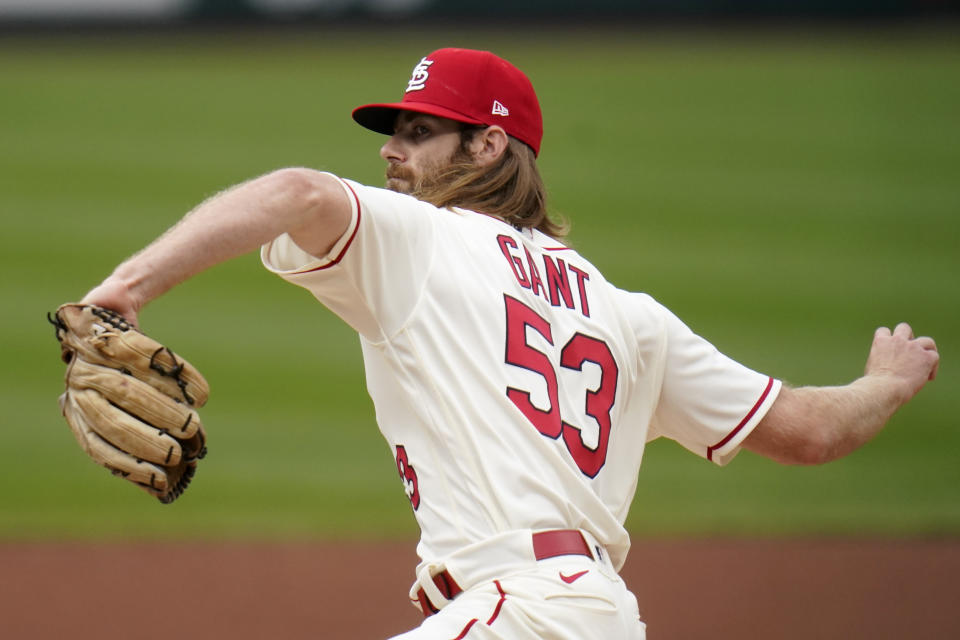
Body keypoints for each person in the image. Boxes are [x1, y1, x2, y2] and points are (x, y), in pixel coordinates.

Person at [79, 48, 939, 639]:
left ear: (489, 144)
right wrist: (888, 383)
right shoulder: (627, 313)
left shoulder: (420, 240)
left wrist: (125, 289)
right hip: (598, 617)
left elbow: (297, 191)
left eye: (420, 132)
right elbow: (812, 431)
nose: (391, 152)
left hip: (519, 614)